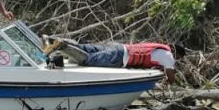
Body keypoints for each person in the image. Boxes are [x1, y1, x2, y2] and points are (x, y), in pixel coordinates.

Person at [51, 38, 182, 82]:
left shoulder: (159, 49)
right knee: (88, 60)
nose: (177, 60)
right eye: (179, 58)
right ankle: (63, 46)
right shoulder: (168, 56)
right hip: (120, 57)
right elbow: (170, 75)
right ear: (176, 53)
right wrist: (170, 81)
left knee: (85, 48)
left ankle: (55, 40)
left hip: (119, 48)